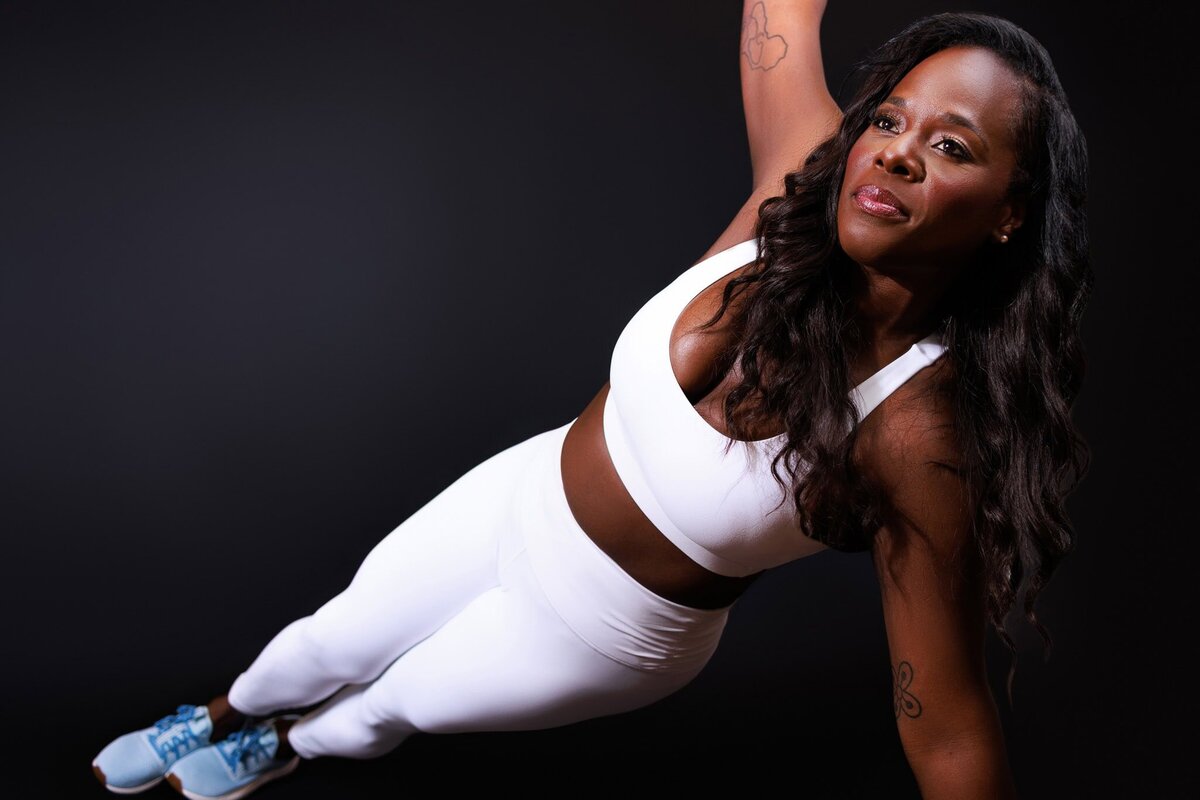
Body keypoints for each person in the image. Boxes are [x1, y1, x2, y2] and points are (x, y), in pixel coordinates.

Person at [92, 2, 1091, 798]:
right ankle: (219, 712)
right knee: (326, 636)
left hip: (597, 631)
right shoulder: (805, 177)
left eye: (953, 146)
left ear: (1010, 212)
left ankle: (289, 746)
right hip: (521, 491)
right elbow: (776, 10)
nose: (896, 151)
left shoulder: (918, 429)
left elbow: (950, 724)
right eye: (889, 117)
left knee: (384, 707)